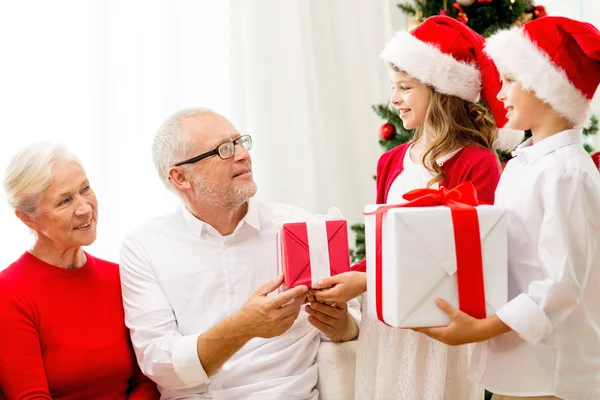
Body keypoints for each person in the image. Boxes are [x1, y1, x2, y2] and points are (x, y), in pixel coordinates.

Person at [311, 16, 521, 400]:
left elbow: (469, 259)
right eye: (394, 87)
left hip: (439, 326)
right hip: (387, 323)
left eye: (405, 87)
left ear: (442, 91)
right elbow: (380, 247)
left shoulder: (475, 162)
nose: (394, 99)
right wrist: (348, 277)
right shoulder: (391, 162)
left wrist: (366, 280)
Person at [415, 16, 600, 400]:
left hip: (551, 374)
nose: (499, 94)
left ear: (549, 88)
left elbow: (560, 284)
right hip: (513, 363)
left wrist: (482, 329)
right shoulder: (521, 164)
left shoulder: (566, 172)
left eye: (511, 80)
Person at [119, 107, 360, 399]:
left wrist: (341, 325)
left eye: (240, 142)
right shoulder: (145, 247)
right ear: (181, 177)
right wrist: (242, 327)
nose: (243, 154)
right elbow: (159, 361)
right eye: (223, 149)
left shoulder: (304, 226)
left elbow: (351, 326)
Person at [0, 143, 158, 400]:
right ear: (27, 219)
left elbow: (149, 380)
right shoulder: (9, 292)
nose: (85, 208)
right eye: (65, 200)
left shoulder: (121, 277)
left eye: (85, 189)